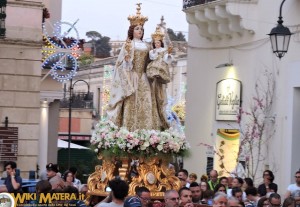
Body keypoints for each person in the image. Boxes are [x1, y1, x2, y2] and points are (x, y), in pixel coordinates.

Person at [107, 3, 169, 132]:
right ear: (132, 30)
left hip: (145, 78)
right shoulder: (128, 45)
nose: (140, 31)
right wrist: (128, 61)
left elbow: (151, 60)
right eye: (137, 28)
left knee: (147, 103)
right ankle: (130, 132)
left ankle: (148, 133)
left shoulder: (147, 46)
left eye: (141, 29)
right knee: (132, 103)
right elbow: (121, 65)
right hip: (133, 78)